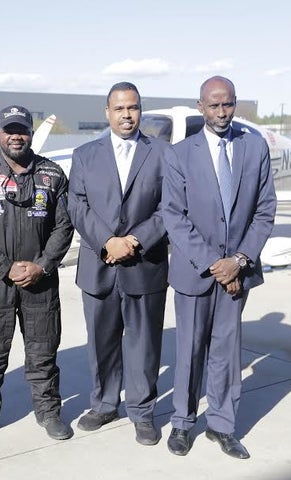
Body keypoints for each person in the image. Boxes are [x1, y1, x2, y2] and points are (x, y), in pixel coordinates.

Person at [162, 76, 276, 459]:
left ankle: (223, 426)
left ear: (235, 104)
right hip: (196, 272)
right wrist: (215, 264)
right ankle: (182, 423)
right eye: (214, 105)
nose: (221, 112)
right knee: (190, 350)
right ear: (201, 107)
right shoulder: (178, 154)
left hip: (237, 273)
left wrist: (240, 261)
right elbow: (174, 217)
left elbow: (264, 210)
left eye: (227, 104)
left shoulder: (254, 148)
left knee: (227, 352)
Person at [0, 105, 74, 443]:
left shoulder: (52, 174)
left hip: (41, 282)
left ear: (30, 133)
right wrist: (5, 267)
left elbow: (64, 225)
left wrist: (42, 265)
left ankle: (48, 411)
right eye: (9, 129)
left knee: (43, 351)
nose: (16, 136)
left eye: (22, 130)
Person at [67, 82, 169, 445]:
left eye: (134, 108)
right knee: (101, 343)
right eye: (120, 108)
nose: (127, 115)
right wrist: (108, 241)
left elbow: (168, 208)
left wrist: (135, 240)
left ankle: (142, 411)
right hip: (99, 266)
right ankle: (105, 404)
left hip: (146, 264)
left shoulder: (162, 153)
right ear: (107, 112)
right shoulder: (84, 155)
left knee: (144, 345)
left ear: (141, 110)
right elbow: (77, 204)